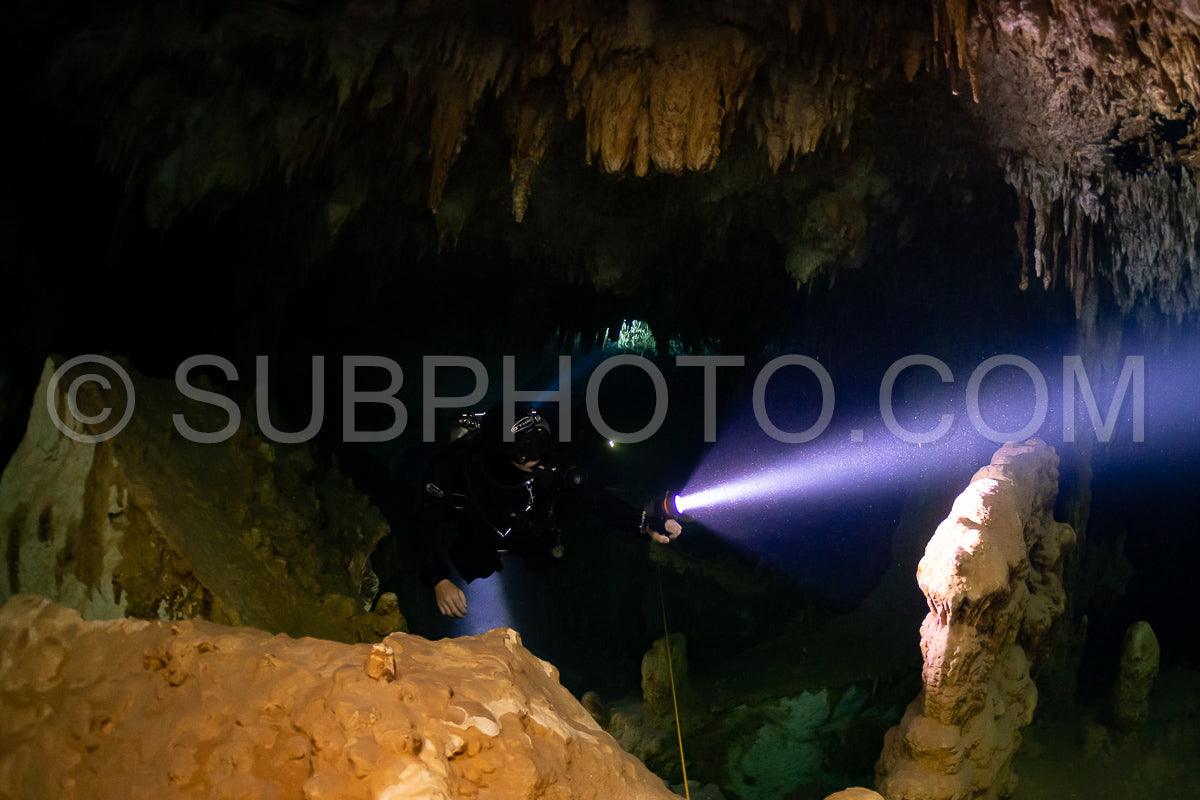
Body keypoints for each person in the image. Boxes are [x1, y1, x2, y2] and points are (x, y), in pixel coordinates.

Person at [417, 403, 682, 618]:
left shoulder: (549, 460)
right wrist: (438, 578)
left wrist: (641, 523)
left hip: (532, 539)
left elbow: (596, 497)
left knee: (545, 561)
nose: (537, 457)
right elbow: (421, 523)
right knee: (472, 560)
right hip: (479, 539)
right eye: (524, 450)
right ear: (499, 452)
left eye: (540, 444)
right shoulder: (454, 467)